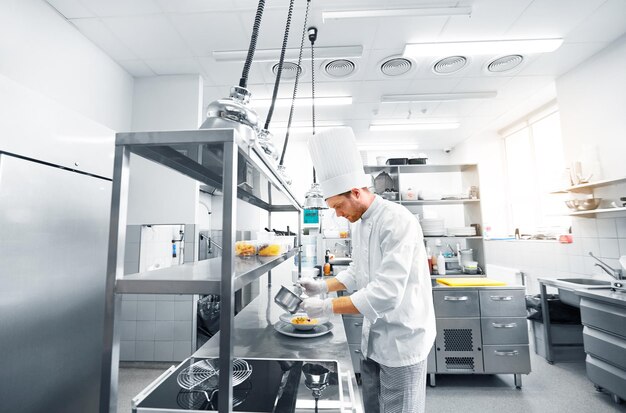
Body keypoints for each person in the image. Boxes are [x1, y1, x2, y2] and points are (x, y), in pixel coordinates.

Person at [300, 127, 436, 413]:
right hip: (374, 339)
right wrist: (324, 286)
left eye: (338, 206)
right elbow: (358, 270)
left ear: (355, 192)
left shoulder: (397, 221)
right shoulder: (360, 223)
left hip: (402, 341)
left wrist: (326, 308)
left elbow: (386, 294)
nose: (337, 214)